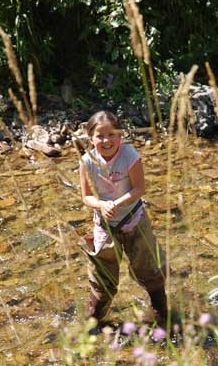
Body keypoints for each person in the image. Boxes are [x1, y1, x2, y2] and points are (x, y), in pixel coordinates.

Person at [79, 110, 167, 325]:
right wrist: (102, 204)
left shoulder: (129, 155)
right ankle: (93, 322)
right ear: (90, 138)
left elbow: (139, 188)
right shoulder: (87, 161)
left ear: (120, 136)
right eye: (100, 136)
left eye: (112, 135)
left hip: (134, 219)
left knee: (149, 270)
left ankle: (163, 316)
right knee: (103, 279)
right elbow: (86, 197)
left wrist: (116, 203)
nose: (106, 140)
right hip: (104, 225)